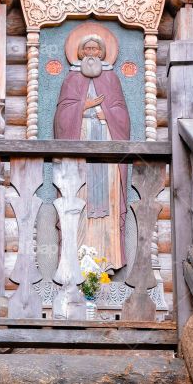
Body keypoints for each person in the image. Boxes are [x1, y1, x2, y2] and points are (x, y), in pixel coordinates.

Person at [53, 32, 130, 268]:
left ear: (103, 53)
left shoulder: (112, 79)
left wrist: (104, 113)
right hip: (80, 147)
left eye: (96, 50)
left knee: (108, 200)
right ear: (80, 53)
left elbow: (122, 115)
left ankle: (109, 259)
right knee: (80, 198)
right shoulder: (71, 79)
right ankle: (75, 258)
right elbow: (61, 118)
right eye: (87, 50)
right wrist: (83, 107)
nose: (91, 54)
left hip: (106, 148)